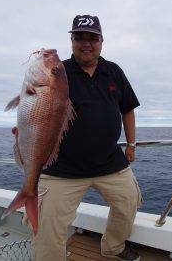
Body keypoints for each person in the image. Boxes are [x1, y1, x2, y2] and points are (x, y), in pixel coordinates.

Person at [32, 15, 142, 261]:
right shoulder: (57, 72)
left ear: (101, 41)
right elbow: (37, 102)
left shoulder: (113, 71)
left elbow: (128, 109)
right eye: (79, 37)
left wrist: (131, 144)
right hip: (61, 167)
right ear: (71, 41)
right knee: (47, 229)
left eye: (92, 38)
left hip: (109, 161)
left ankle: (113, 247)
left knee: (128, 202)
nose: (86, 43)